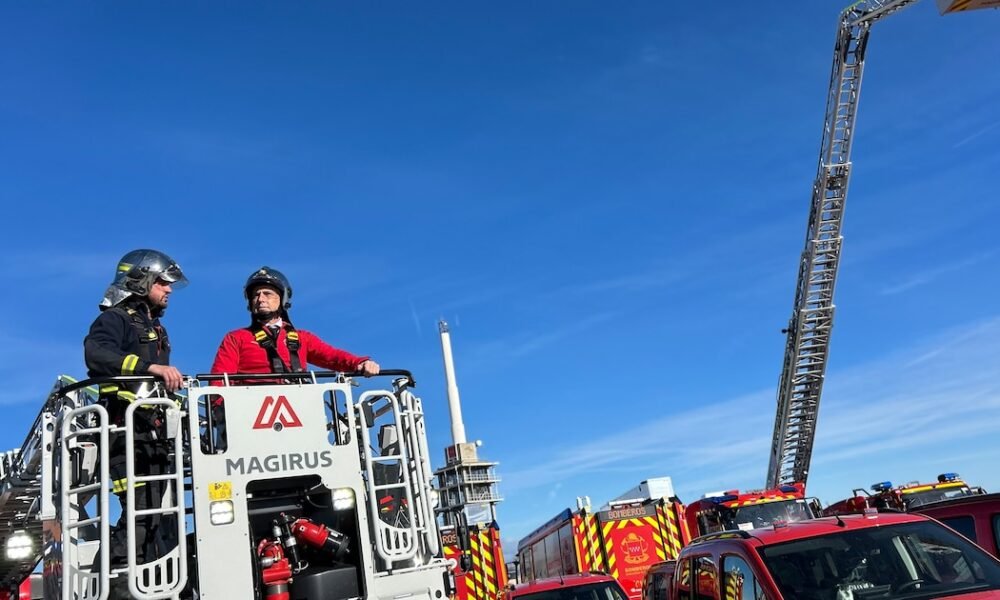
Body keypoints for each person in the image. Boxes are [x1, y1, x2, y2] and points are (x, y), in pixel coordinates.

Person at [83, 248, 187, 569]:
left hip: (152, 435)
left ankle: (140, 582)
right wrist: (149, 368)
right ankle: (114, 584)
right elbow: (96, 355)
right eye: (161, 282)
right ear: (140, 281)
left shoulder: (156, 329)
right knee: (141, 514)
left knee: (155, 517)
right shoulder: (114, 319)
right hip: (124, 435)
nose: (168, 289)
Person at [210, 266, 379, 378]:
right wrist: (220, 414)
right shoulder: (236, 338)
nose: (260, 299)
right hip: (249, 418)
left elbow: (332, 357)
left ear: (282, 299)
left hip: (299, 414)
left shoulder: (302, 338)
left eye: (267, 294)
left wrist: (360, 363)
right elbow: (219, 379)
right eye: (255, 294)